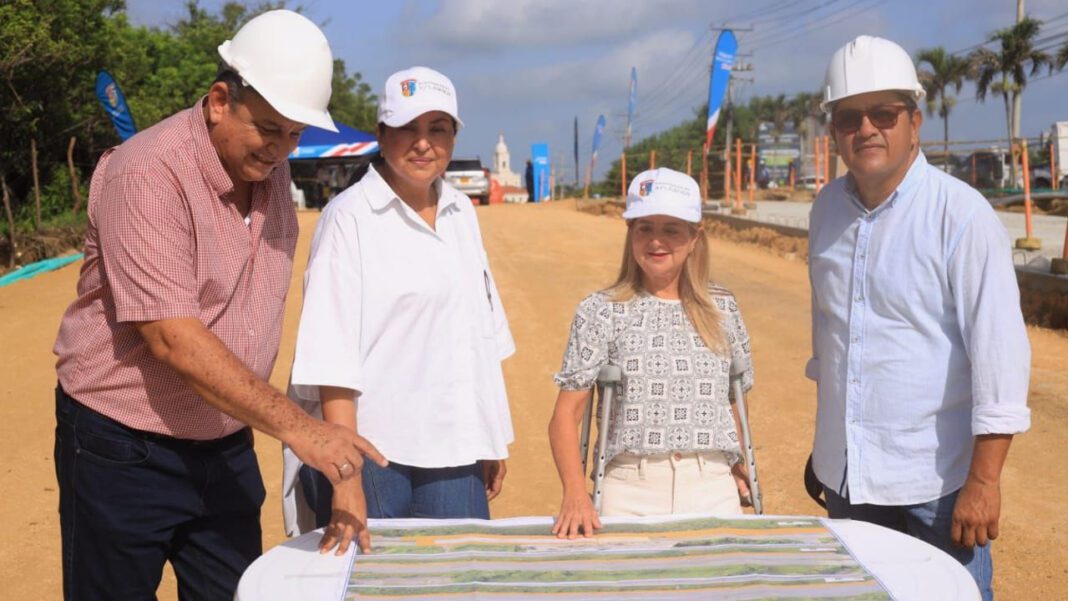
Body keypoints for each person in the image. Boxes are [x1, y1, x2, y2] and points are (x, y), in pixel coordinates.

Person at [51, 11, 386, 601]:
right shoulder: (147, 173)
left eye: (295, 134)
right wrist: (300, 429)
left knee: (236, 592)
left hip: (226, 439)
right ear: (219, 101)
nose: (281, 148)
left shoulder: (269, 171)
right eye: (269, 128)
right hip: (123, 448)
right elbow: (171, 337)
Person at [807, 36, 1031, 600]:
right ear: (834, 130)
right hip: (849, 482)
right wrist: (828, 449)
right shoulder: (825, 211)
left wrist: (983, 481)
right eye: (849, 117)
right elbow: (833, 342)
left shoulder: (961, 216)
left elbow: (1000, 357)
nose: (866, 129)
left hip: (935, 487)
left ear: (914, 122)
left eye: (883, 113)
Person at [284, 66, 515, 554]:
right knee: (375, 580)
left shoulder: (461, 213)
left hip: (455, 450)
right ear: (382, 134)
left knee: (460, 577)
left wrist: (489, 436)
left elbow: (476, 333)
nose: (423, 143)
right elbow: (331, 356)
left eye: (438, 129)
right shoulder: (348, 218)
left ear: (454, 136)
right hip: (375, 456)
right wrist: (347, 477)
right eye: (408, 128)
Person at [548, 168, 755, 539]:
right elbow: (567, 414)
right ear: (631, 233)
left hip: (712, 485)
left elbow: (733, 400)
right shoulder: (600, 310)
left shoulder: (723, 308)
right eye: (644, 228)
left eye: (671, 229)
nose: (656, 241)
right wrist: (575, 493)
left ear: (695, 237)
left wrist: (741, 462)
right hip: (628, 489)